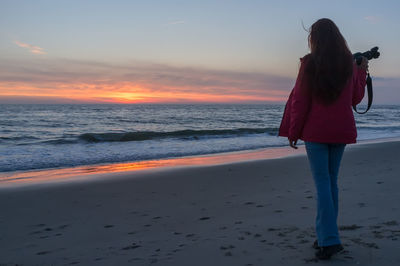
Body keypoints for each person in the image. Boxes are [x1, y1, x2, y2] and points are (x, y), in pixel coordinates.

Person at [279, 18, 368, 260]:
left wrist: (294, 131)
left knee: (323, 184)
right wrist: (362, 71)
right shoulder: (348, 65)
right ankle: (326, 236)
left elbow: (300, 100)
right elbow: (355, 99)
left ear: (315, 39)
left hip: (316, 133)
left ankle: (329, 240)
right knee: (330, 182)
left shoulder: (310, 63)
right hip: (340, 131)